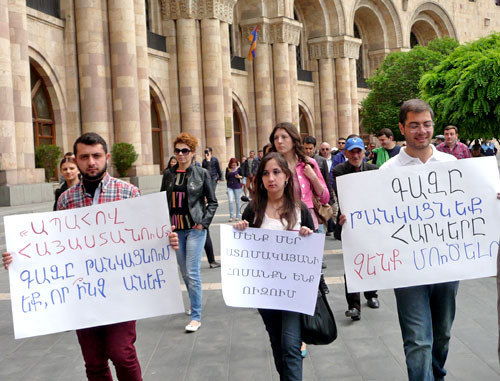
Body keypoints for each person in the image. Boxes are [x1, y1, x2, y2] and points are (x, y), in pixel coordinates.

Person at [5, 132, 143, 380]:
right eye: (85, 157)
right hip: (81, 294)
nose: (91, 162)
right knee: (94, 361)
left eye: (97, 156)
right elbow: (53, 246)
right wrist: (19, 258)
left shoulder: (129, 193)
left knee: (122, 353)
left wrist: (167, 241)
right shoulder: (66, 199)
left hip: (121, 291)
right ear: (76, 160)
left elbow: (144, 238)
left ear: (107, 157)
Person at [379, 99, 459, 380]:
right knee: (418, 341)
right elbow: (375, 219)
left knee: (443, 334)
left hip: (447, 266)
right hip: (408, 270)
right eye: (414, 125)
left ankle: (436, 374)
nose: (421, 131)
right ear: (402, 128)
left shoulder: (451, 164)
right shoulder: (388, 172)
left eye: (426, 124)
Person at [233, 152, 314, 381]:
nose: (271, 178)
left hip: (295, 291)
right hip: (266, 292)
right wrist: (240, 232)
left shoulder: (300, 210)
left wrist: (307, 235)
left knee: (290, 345)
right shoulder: (253, 210)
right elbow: (245, 252)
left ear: (287, 176)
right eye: (266, 173)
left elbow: (313, 252)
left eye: (277, 172)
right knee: (278, 345)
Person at [160, 133, 218, 331]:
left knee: (192, 272)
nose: (181, 154)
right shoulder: (169, 174)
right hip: (176, 230)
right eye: (178, 151)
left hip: (194, 229)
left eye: (185, 151)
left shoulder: (201, 173)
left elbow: (213, 202)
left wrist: (203, 223)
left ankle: (196, 316)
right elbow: (162, 202)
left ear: (193, 153)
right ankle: (194, 302)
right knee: (184, 271)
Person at [331, 137, 380, 321]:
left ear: (364, 152)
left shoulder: (374, 171)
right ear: (345, 153)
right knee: (351, 265)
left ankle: (371, 294)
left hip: (370, 223)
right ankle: (353, 305)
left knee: (371, 260)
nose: (356, 155)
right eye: (352, 151)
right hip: (349, 223)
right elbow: (342, 197)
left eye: (359, 151)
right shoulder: (338, 171)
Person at [269, 123, 330, 233]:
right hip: (281, 225)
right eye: (276, 138)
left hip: (308, 225)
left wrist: (313, 177)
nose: (279, 141)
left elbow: (325, 198)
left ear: (293, 139)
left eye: (284, 137)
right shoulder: (271, 166)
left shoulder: (309, 163)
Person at [225, 157, 243, 222]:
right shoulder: (228, 169)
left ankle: (238, 215)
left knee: (238, 201)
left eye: (235, 165)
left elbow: (242, 176)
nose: (233, 166)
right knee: (230, 200)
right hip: (230, 186)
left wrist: (239, 177)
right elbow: (226, 177)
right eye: (232, 165)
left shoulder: (239, 169)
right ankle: (231, 216)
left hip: (237, 186)